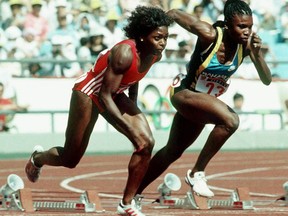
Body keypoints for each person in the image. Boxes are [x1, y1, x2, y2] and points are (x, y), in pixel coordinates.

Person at [25, 5, 173, 216]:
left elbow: (134, 78)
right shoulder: (124, 52)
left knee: (146, 143)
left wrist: (134, 105)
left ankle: (127, 203)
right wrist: (129, 129)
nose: (163, 43)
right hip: (89, 92)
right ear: (141, 36)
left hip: (116, 93)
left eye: (166, 38)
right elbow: (103, 96)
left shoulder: (155, 53)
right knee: (70, 159)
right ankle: (37, 158)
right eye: (158, 37)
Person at [136, 0, 271, 200]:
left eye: (249, 26)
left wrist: (257, 54)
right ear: (227, 24)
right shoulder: (209, 35)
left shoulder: (248, 46)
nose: (246, 31)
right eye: (241, 26)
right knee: (231, 120)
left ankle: (133, 192)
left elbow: (267, 80)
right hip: (184, 94)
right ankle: (196, 172)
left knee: (172, 151)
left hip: (203, 103)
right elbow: (173, 13)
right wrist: (155, 40)